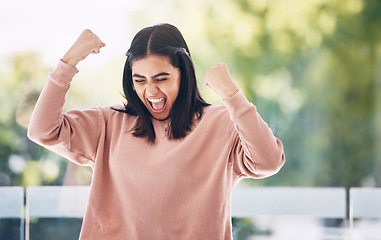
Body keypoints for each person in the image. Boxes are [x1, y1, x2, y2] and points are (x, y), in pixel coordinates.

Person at [28, 23, 285, 240]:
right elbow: (42, 130)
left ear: (183, 74)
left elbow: (268, 160)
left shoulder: (219, 124)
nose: (150, 92)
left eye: (161, 78)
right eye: (140, 80)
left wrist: (232, 94)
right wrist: (68, 62)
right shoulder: (108, 123)